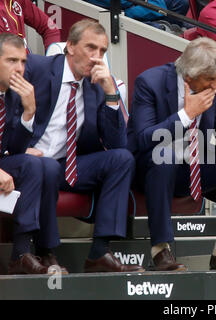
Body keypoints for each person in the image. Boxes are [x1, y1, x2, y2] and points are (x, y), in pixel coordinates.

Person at [127, 37, 216, 271]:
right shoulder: (150, 82)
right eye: (210, 79)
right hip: (151, 169)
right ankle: (161, 251)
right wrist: (186, 115)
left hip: (193, 166)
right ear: (189, 76)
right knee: (165, 156)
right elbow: (141, 139)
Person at [23, 19, 144, 273]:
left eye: (102, 51)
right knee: (44, 167)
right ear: (69, 46)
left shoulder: (97, 86)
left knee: (122, 159)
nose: (97, 57)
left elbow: (117, 144)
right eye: (91, 48)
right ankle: (45, 252)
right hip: (29, 161)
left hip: (68, 166)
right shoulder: (38, 67)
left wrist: (111, 93)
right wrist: (17, 149)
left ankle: (100, 253)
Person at [0, 33, 51, 275]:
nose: (19, 68)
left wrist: (29, 111)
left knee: (33, 164)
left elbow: (16, 149)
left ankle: (21, 254)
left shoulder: (12, 96)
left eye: (23, 62)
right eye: (11, 61)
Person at [83, 0, 189, 31]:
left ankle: (176, 26)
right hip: (121, 14)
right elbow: (125, 3)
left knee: (180, 2)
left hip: (135, 6)